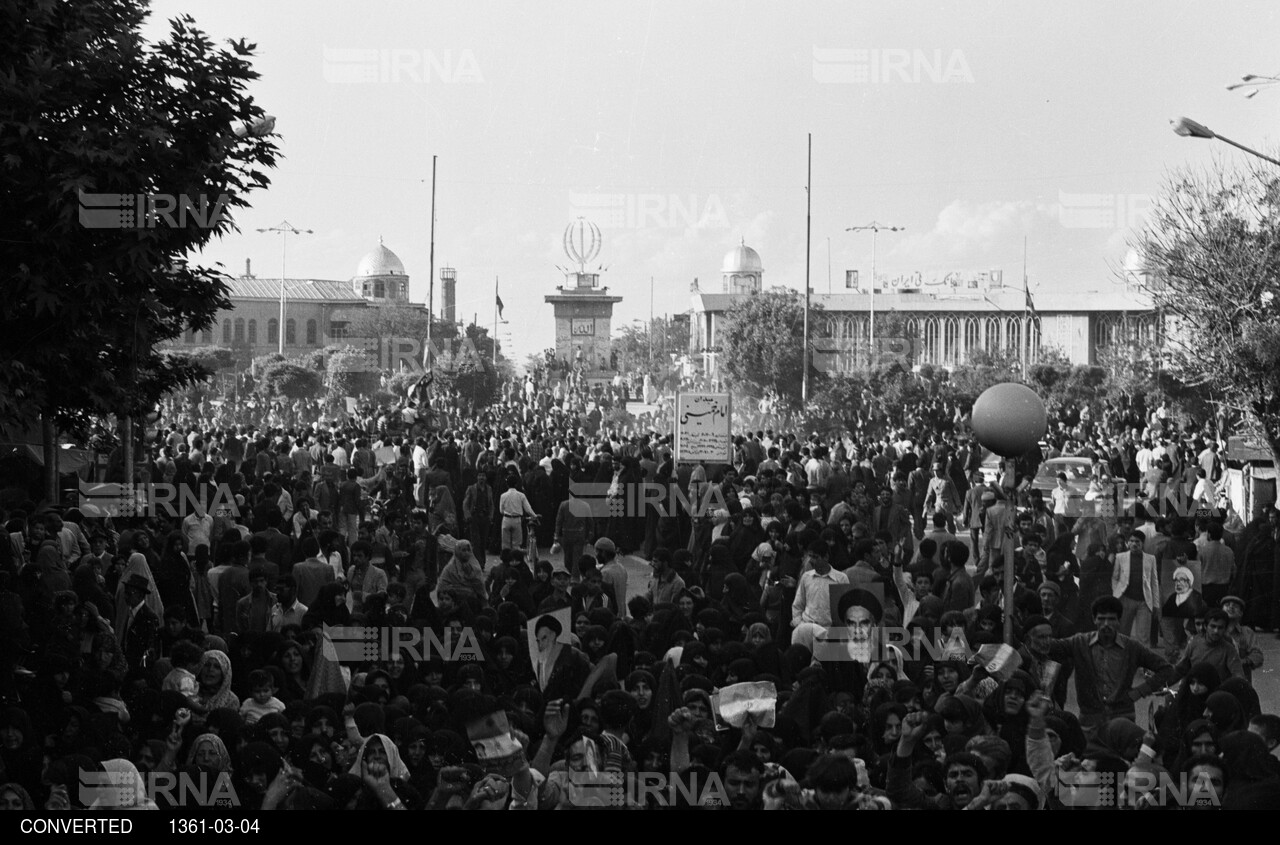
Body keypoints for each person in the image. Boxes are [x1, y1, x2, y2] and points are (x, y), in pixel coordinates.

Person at [1046, 595, 1172, 734]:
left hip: (1123, 719)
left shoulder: (1132, 647)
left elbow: (1166, 669)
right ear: (1094, 620)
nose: (1106, 624)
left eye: (1111, 619)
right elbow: (1050, 646)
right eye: (1101, 619)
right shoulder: (1079, 642)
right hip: (1090, 721)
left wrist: (1138, 692)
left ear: (1119, 621)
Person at [1112, 531, 1159, 645]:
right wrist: (1116, 594)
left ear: (1142, 543)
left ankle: (1143, 661)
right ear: (1128, 543)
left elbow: (1154, 581)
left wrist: (1156, 604)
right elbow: (1115, 577)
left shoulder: (1151, 559)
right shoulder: (1120, 557)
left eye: (1137, 541)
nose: (1134, 544)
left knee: (1143, 637)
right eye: (1131, 541)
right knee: (1122, 634)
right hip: (1126, 599)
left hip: (1144, 601)